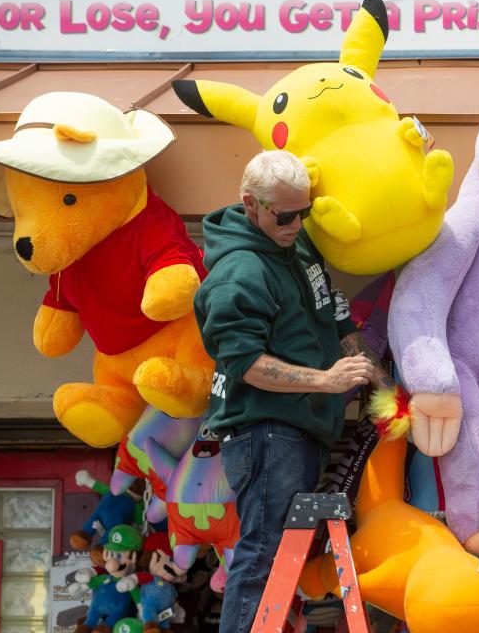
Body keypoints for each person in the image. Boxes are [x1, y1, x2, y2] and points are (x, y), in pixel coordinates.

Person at [194, 150, 390, 633]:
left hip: (298, 429)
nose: (297, 224)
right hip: (266, 430)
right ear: (250, 205)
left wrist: (373, 376)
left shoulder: (297, 247)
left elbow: (337, 316)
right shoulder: (239, 271)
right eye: (286, 215)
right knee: (262, 553)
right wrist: (327, 381)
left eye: (304, 211)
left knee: (278, 555)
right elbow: (245, 364)